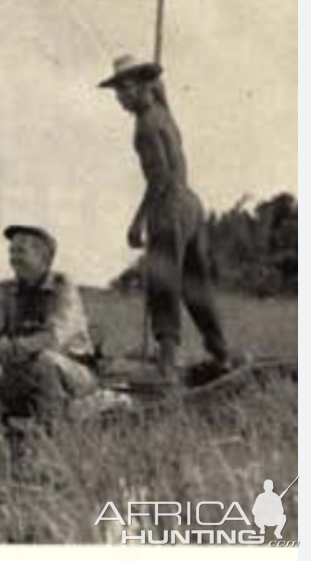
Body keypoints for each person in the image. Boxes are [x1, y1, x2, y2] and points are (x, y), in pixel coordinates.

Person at [98, 55, 233, 384]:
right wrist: (154, 82)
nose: (121, 98)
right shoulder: (164, 115)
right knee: (195, 284)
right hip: (192, 205)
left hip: (170, 207)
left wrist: (137, 222)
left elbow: (159, 180)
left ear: (145, 87)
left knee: (163, 285)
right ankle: (221, 353)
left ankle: (167, 366)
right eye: (117, 92)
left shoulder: (145, 127)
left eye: (126, 89)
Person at [0, 225, 98, 423]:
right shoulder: (9, 290)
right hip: (22, 366)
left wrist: (8, 349)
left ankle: (51, 431)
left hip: (73, 370)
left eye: (20, 252)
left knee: (45, 361)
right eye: (11, 252)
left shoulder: (62, 286)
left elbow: (54, 337)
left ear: (43, 258)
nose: (13, 259)